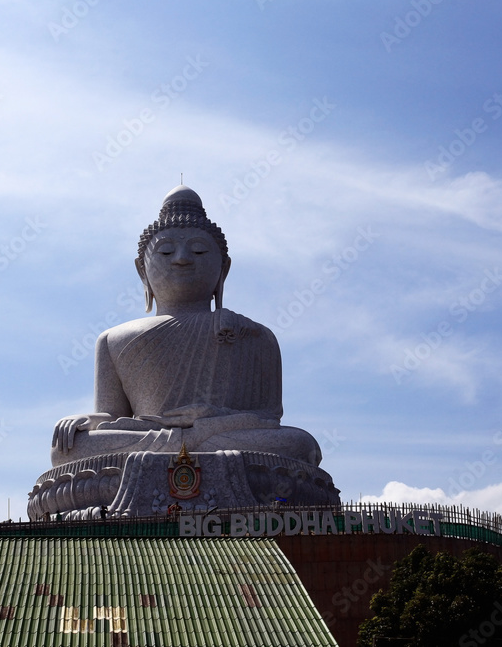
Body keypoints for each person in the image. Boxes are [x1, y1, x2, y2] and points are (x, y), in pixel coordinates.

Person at [50, 186, 321, 468]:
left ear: (223, 269)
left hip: (219, 436)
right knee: (67, 449)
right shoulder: (112, 340)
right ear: (142, 270)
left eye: (199, 250)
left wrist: (211, 418)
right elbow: (112, 415)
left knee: (300, 445)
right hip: (155, 437)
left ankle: (177, 452)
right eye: (166, 251)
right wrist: (88, 421)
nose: (182, 258)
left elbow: (267, 419)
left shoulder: (255, 335)